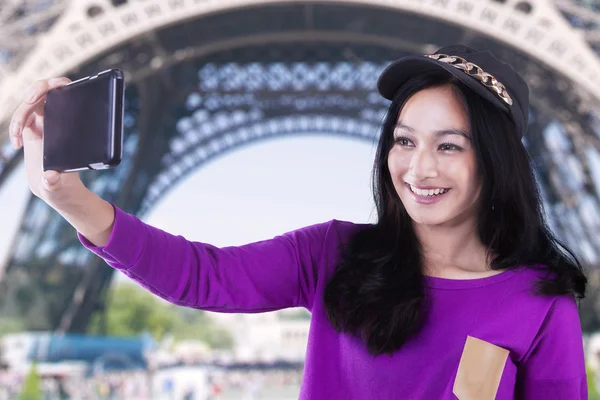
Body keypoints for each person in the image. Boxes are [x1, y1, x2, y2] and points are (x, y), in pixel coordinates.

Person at [9, 44, 588, 399]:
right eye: (404, 140)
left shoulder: (540, 303)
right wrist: (65, 195)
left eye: (450, 146)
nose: (418, 167)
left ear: (495, 159)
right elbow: (201, 274)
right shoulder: (333, 254)